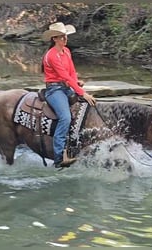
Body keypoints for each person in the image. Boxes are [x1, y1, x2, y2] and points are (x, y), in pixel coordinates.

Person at [41, 22, 96, 168]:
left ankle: (78, 141)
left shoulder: (66, 51)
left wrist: (76, 82)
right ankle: (59, 157)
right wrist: (82, 93)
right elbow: (64, 76)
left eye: (65, 36)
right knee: (65, 117)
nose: (65, 39)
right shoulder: (51, 56)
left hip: (66, 87)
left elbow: (71, 72)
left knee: (83, 110)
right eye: (62, 37)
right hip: (54, 90)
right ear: (55, 39)